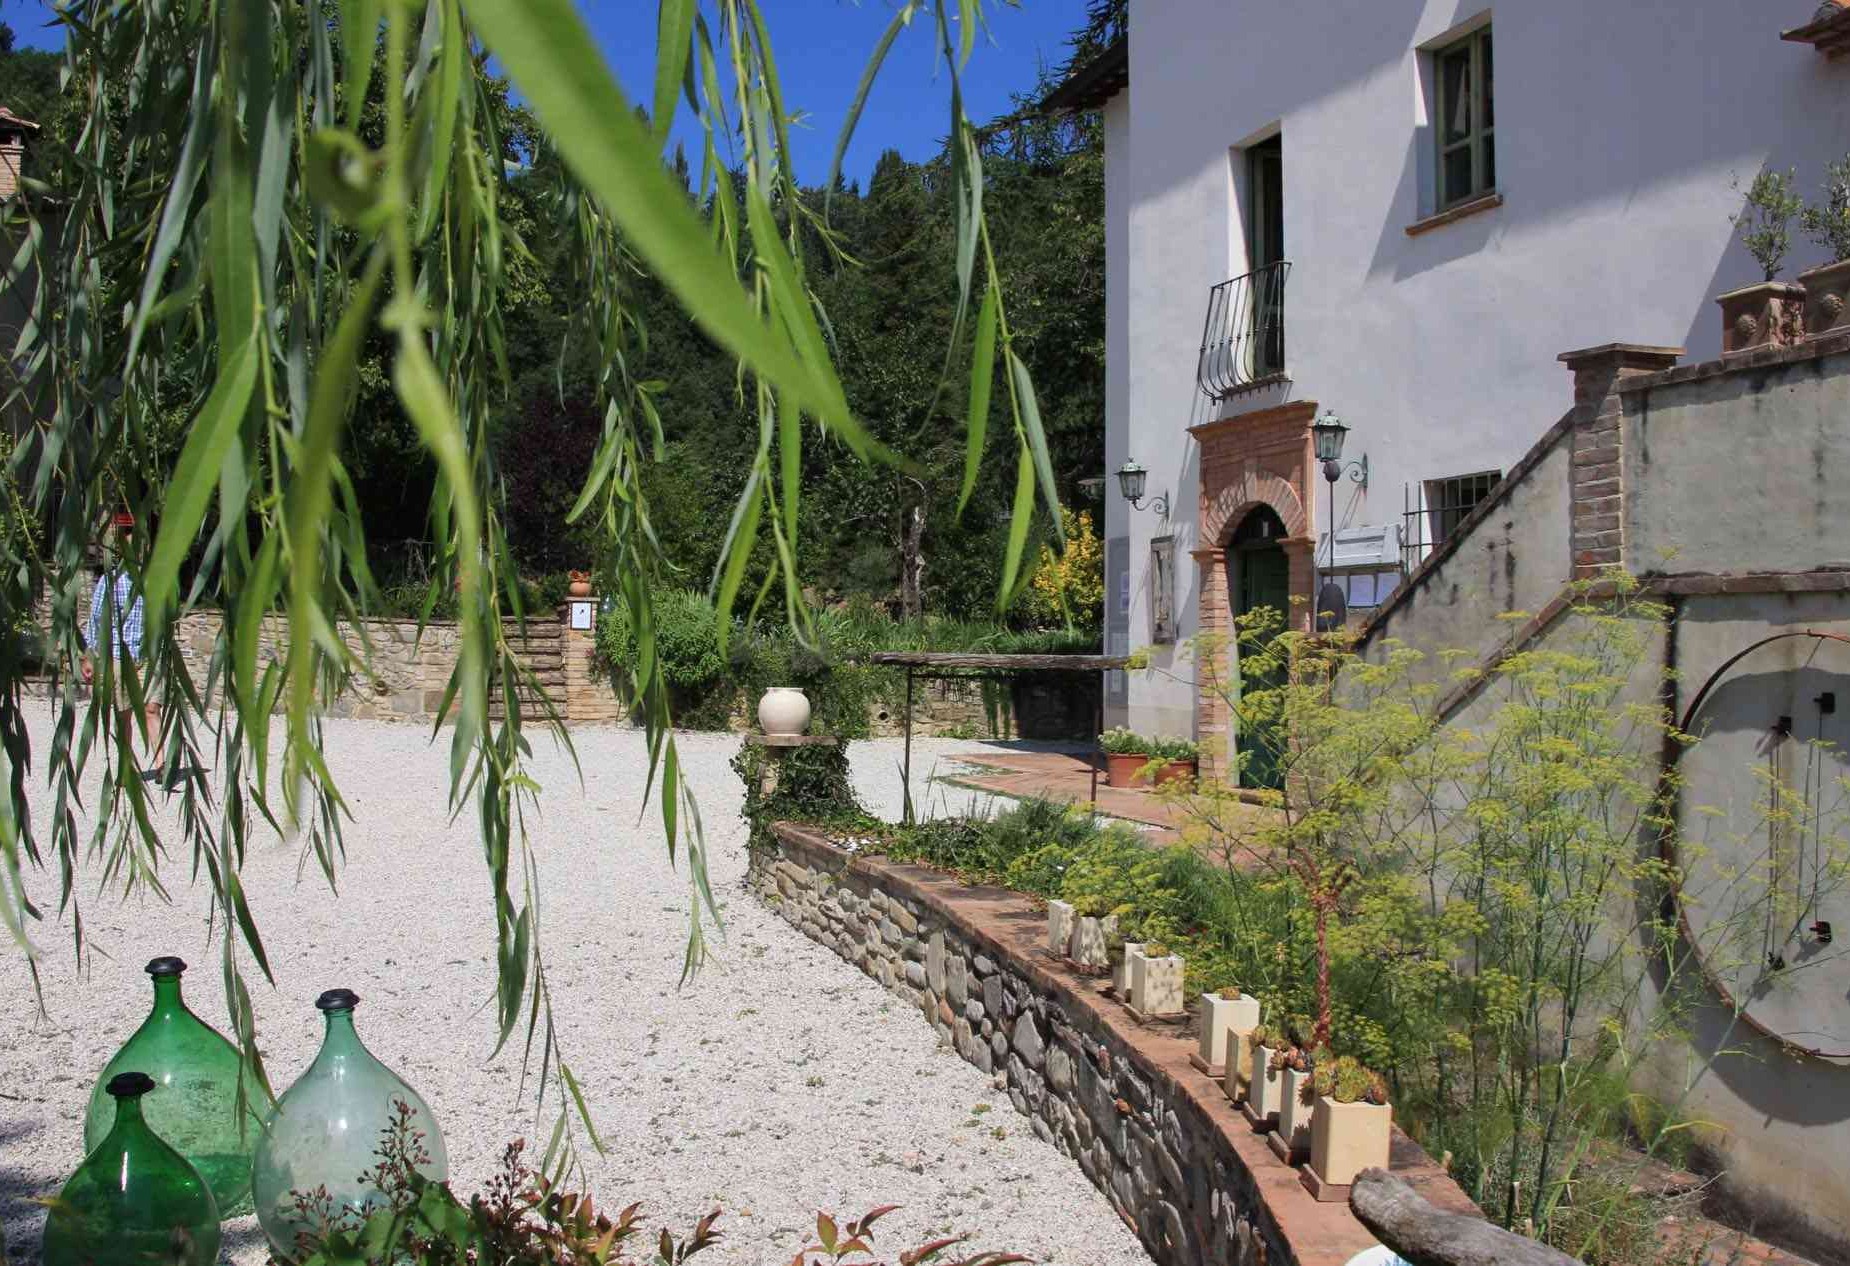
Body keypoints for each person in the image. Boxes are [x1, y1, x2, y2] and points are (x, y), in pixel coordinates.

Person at [81, 511, 159, 759]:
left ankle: (161, 764)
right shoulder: (109, 581)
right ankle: (127, 766)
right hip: (118, 658)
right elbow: (95, 622)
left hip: (147, 657)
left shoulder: (154, 581)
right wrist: (88, 657)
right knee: (124, 714)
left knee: (151, 708)